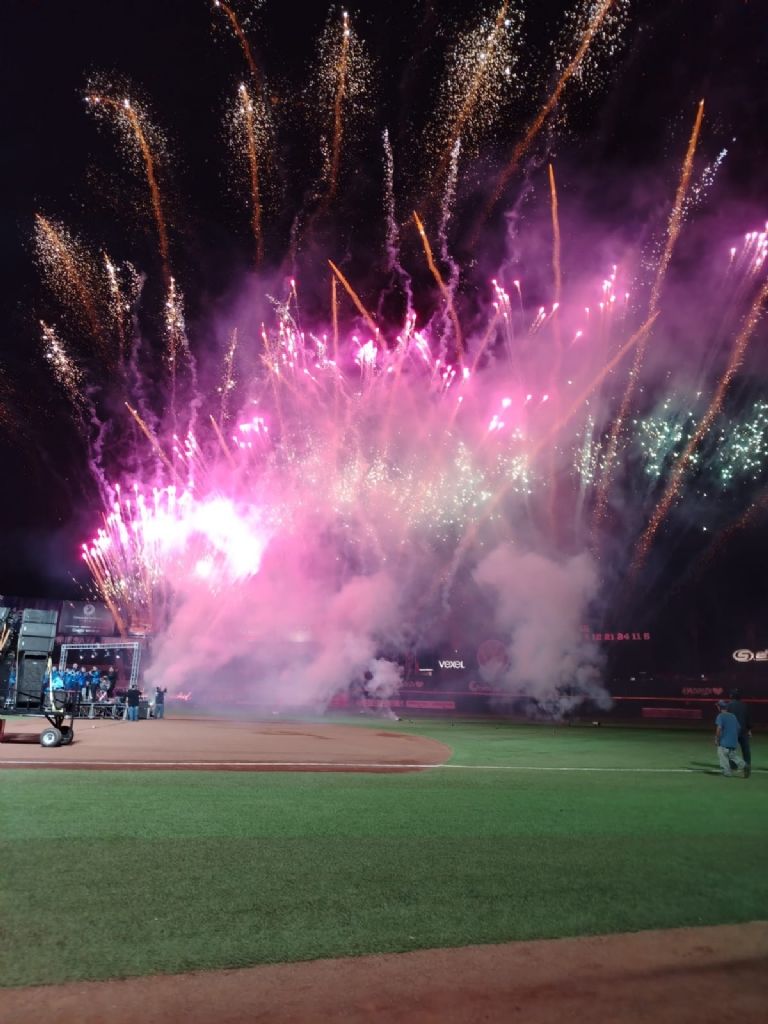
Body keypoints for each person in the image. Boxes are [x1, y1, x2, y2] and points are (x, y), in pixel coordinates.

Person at [714, 700, 746, 777]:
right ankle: (744, 765)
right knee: (732, 755)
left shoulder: (720, 716)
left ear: (719, 707)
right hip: (733, 741)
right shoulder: (733, 716)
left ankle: (727, 772)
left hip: (724, 741)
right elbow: (738, 728)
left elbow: (719, 728)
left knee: (721, 753)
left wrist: (717, 738)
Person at [728, 689, 752, 779]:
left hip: (733, 731)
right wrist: (749, 729)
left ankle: (733, 766)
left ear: (731, 696)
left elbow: (727, 718)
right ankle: (747, 765)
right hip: (743, 730)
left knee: (731, 749)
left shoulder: (729, 705)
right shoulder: (744, 705)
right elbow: (748, 718)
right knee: (746, 750)